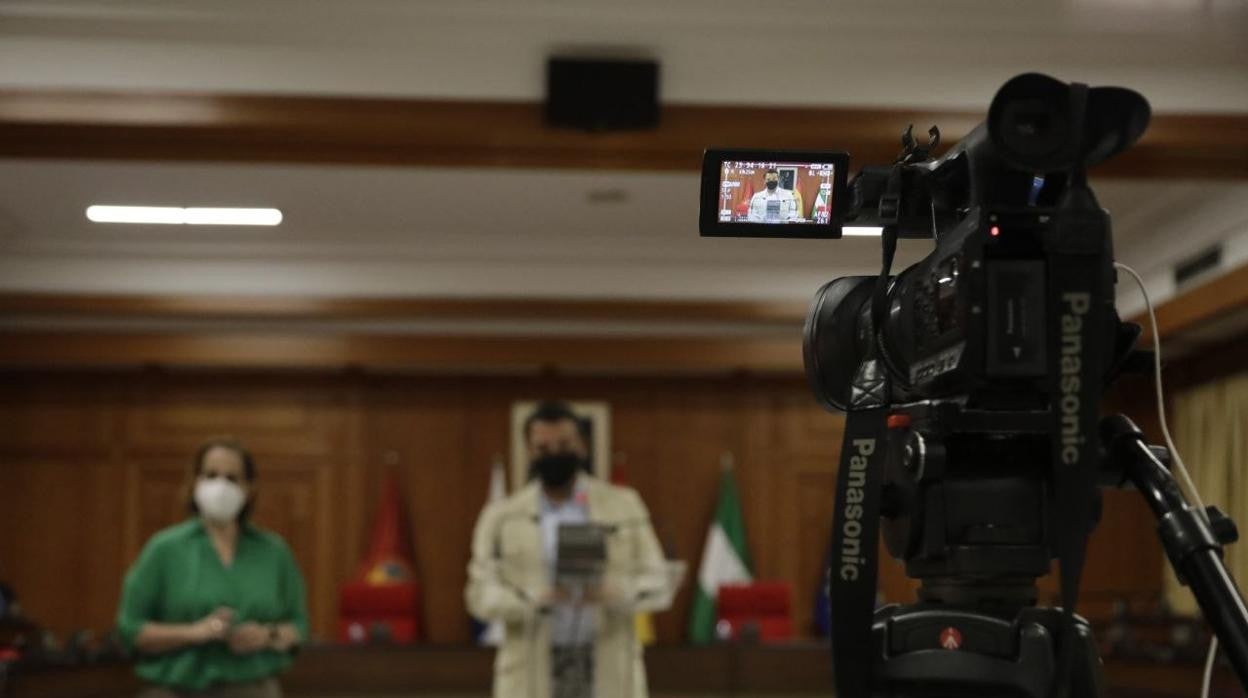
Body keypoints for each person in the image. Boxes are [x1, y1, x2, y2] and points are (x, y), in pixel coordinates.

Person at [466, 402, 668, 698]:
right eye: (543, 448)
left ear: (582, 447)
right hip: (531, 667)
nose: (554, 454)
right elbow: (479, 594)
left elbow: (659, 579)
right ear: (529, 451)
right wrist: (533, 599)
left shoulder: (624, 505)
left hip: (607, 662)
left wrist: (618, 591)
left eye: (563, 445)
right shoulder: (501, 516)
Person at [116, 437, 309, 698]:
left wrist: (266, 635)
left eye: (232, 478)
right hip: (175, 688)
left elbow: (299, 627)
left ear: (249, 488)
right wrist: (195, 632)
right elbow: (131, 629)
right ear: (195, 482)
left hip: (253, 688)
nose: (220, 485)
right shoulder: (164, 548)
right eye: (211, 475)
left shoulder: (273, 551)